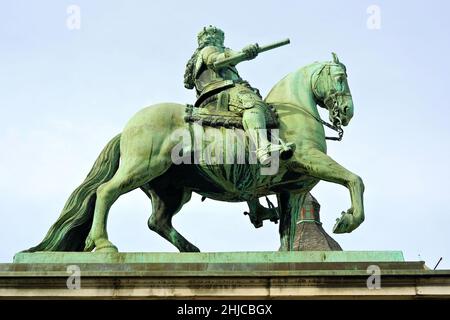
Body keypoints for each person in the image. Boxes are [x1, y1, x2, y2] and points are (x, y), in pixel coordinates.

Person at [184, 25, 294, 165]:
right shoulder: (208, 49)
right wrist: (243, 53)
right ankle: (263, 147)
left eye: (219, 38)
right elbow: (216, 60)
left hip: (215, 93)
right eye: (217, 38)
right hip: (221, 90)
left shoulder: (201, 55)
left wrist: (242, 54)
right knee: (252, 104)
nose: (219, 41)